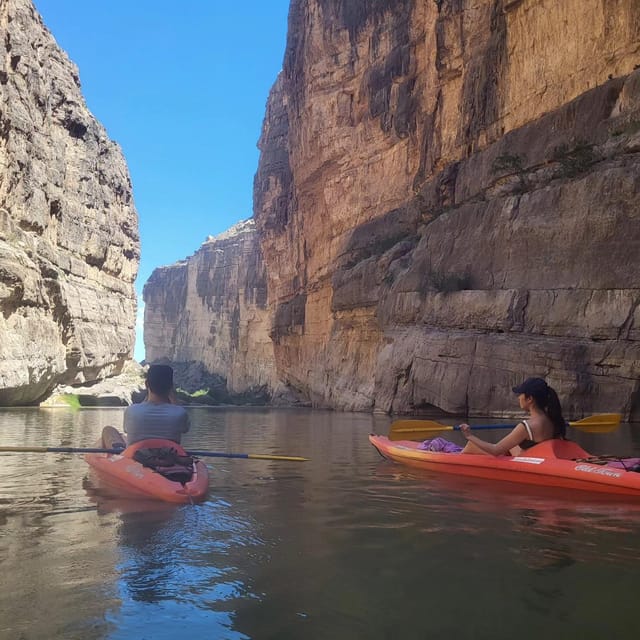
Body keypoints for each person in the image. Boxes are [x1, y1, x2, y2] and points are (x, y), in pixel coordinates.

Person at [460, 377, 566, 456]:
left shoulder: (527, 426)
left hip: (526, 462)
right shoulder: (552, 420)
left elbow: (495, 450)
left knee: (471, 445)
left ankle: (455, 459)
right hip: (534, 456)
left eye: (520, 394)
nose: (518, 397)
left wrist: (469, 436)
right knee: (513, 446)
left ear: (529, 399)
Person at [123, 364, 190, 445]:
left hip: (135, 456)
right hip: (169, 454)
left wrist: (147, 395)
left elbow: (126, 430)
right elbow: (185, 429)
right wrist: (173, 397)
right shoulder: (180, 413)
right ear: (171, 386)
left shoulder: (131, 411)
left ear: (147, 384)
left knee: (109, 431)